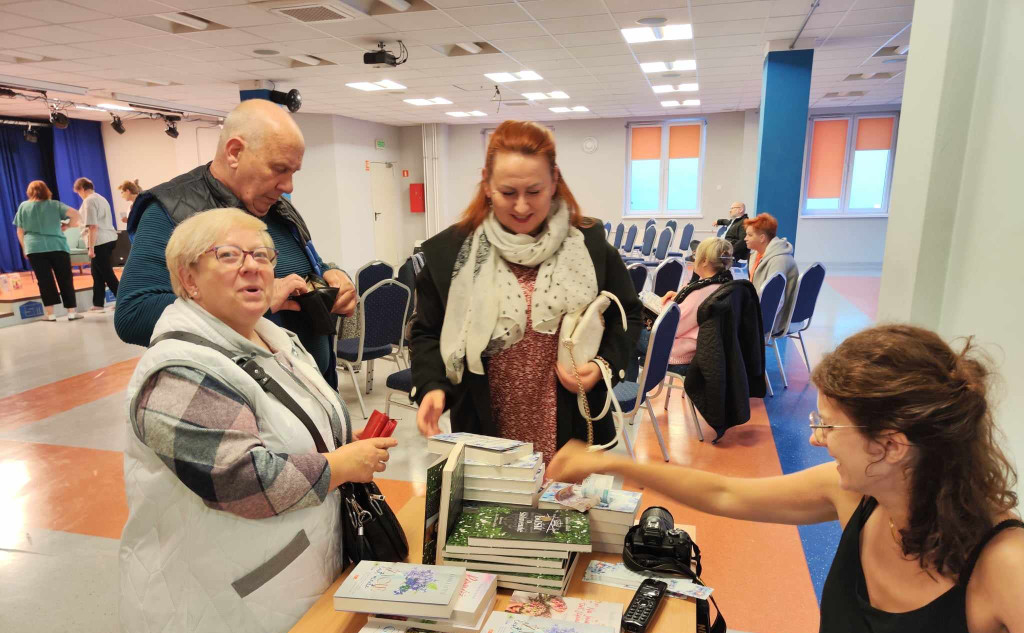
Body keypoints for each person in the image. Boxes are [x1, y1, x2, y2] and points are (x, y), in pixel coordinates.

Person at [549, 324, 1024, 633]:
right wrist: (613, 463)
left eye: (831, 426)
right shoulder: (859, 494)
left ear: (892, 446)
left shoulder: (1007, 568)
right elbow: (725, 493)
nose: (816, 438)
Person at [119, 208, 396, 633]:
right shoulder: (177, 369)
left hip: (279, 589)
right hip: (215, 607)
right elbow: (243, 480)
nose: (253, 269)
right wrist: (339, 467)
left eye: (263, 257)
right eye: (229, 256)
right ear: (187, 278)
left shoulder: (271, 339)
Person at [410, 120, 642, 463]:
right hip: (487, 422)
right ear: (487, 184)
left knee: (562, 513)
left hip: (569, 422)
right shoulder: (451, 255)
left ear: (554, 182)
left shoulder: (588, 244)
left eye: (534, 192)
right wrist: (431, 386)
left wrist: (603, 364)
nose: (521, 207)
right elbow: (427, 331)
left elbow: (629, 315)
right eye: (508, 193)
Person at [114, 99, 356, 387]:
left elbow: (297, 266)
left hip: (309, 394)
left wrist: (330, 274)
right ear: (234, 152)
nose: (288, 186)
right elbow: (133, 314)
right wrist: (257, 300)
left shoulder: (275, 206)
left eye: (293, 172)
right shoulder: (171, 210)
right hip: (243, 401)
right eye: (279, 169)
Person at [630, 238, 734, 381]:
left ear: (704, 261)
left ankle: (628, 396)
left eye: (695, 255)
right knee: (630, 342)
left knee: (626, 334)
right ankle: (630, 391)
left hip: (681, 353)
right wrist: (678, 297)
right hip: (701, 351)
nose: (693, 258)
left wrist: (664, 306)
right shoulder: (724, 284)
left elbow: (672, 327)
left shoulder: (700, 292)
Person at [12, 180, 83, 322]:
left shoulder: (23, 207)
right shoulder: (55, 205)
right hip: (57, 245)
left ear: (29, 192)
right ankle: (71, 312)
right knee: (65, 278)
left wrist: (25, 248)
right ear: (46, 190)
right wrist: (67, 226)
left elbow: (20, 231)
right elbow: (76, 215)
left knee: (44, 280)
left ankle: (50, 314)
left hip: (35, 247)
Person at [745, 212, 797, 336]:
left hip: (773, 320)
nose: (745, 238)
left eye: (749, 235)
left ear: (762, 238)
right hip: (760, 309)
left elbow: (774, 301)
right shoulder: (757, 255)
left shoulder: (779, 261)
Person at [73, 177, 120, 313]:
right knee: (96, 273)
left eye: (78, 192)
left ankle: (123, 300)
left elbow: (93, 226)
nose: (79, 195)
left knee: (106, 273)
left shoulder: (89, 201)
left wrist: (91, 247)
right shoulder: (101, 198)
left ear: (82, 189)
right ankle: (98, 303)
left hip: (99, 241)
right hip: (108, 238)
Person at [714, 201, 749, 266]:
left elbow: (743, 241)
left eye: (732, 208)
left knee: (703, 255)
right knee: (695, 243)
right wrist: (718, 221)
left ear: (740, 210)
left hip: (727, 250)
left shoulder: (744, 222)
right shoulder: (734, 221)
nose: (730, 211)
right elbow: (725, 221)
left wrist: (729, 251)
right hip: (721, 246)